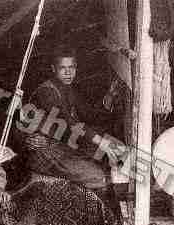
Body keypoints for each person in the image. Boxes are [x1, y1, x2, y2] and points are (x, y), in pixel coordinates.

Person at [21, 46, 120, 189]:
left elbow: (90, 115)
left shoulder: (68, 89)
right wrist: (100, 141)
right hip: (44, 153)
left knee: (111, 151)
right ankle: (46, 180)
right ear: (54, 69)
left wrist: (109, 96)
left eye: (72, 67)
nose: (68, 73)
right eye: (63, 68)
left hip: (63, 145)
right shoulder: (46, 92)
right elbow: (68, 122)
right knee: (99, 177)